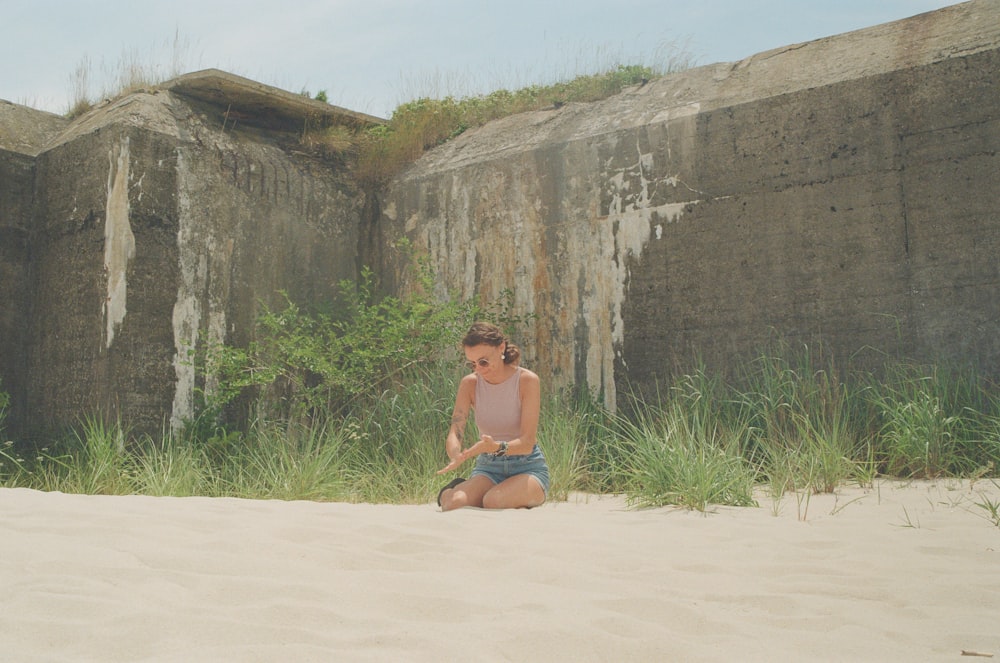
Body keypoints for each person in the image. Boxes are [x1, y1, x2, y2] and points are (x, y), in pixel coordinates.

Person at [436, 322, 550, 510]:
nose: (478, 369)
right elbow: (456, 431)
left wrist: (496, 447)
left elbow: (527, 442)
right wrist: (456, 454)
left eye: (483, 361)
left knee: (494, 501)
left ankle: (512, 491)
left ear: (501, 348)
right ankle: (453, 489)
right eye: (472, 363)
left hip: (527, 466)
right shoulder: (470, 384)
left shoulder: (527, 380)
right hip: (489, 467)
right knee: (452, 504)